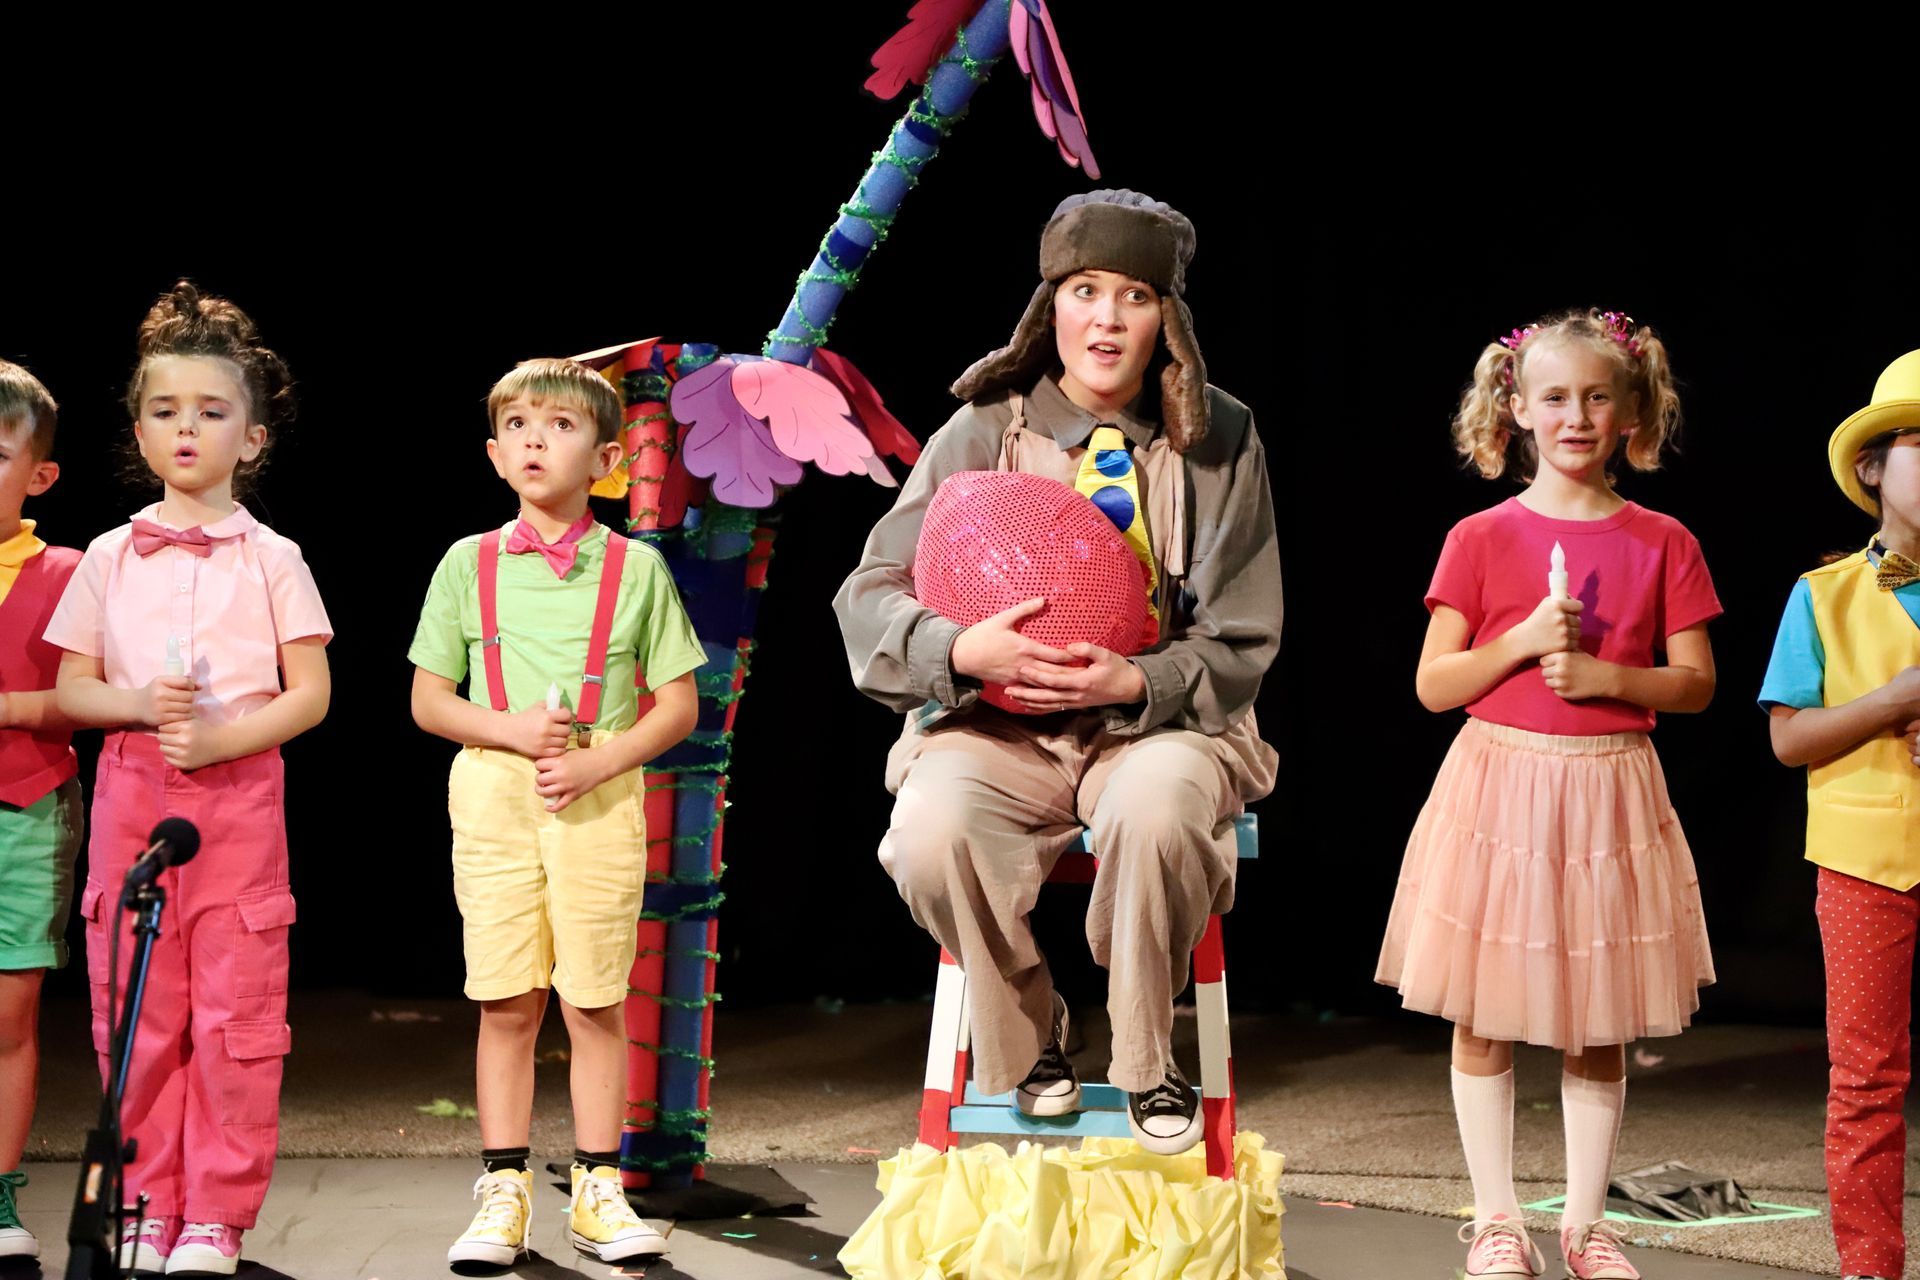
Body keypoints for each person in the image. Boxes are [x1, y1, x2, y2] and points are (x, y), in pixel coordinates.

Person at [834, 189, 1281, 1155]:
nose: (1109, 320)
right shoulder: (980, 431)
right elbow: (868, 594)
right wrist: (958, 651)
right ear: (1051, 307)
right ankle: (1036, 1034)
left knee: (1159, 814)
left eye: (1135, 296)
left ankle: (1147, 1053)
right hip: (998, 724)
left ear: (1170, 317)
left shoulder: (1221, 438)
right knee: (931, 830)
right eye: (1085, 291)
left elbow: (1243, 633)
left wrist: (1134, 683)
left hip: (1159, 725)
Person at [1377, 310, 1719, 1279]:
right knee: (1482, 1009)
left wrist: (1610, 678)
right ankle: (1495, 1219)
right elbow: (1434, 683)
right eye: (1557, 396)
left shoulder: (1662, 539)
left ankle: (1584, 1222)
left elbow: (1695, 682)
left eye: (1597, 397)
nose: (1577, 414)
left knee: (1595, 1013)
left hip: (1608, 790)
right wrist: (1524, 641)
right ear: (1519, 407)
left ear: (1628, 411)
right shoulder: (1481, 537)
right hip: (1501, 787)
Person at [48, 283, 334, 1275]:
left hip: (238, 798)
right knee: (137, 1006)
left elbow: (314, 692)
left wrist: (224, 740)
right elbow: (71, 688)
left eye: (213, 411)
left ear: (251, 437)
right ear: (138, 425)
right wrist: (136, 706)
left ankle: (214, 1213)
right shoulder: (109, 555)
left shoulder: (275, 557)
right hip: (135, 791)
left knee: (233, 1015)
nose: (187, 428)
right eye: (167, 409)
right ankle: (144, 1203)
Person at [409, 357, 704, 1267]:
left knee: (593, 998)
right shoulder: (470, 563)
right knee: (506, 996)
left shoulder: (636, 569)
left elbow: (679, 703)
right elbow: (429, 699)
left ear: (608, 457)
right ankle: (502, 1187)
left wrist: (597, 760)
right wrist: (513, 729)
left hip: (598, 798)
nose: (538, 439)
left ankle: (598, 1187)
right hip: (495, 794)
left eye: (562, 425)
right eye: (521, 426)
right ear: (497, 454)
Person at [1760, 349, 1920, 1280]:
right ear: (1872, 467)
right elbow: (1789, 737)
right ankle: (1871, 1268)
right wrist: (1892, 702)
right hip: (1868, 861)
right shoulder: (1823, 596)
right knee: (1866, 1082)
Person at [0, 360, 82, 1262]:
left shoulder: (67, 572)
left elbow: (95, 695)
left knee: (9, 1015)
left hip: (23, 810)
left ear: (38, 473)